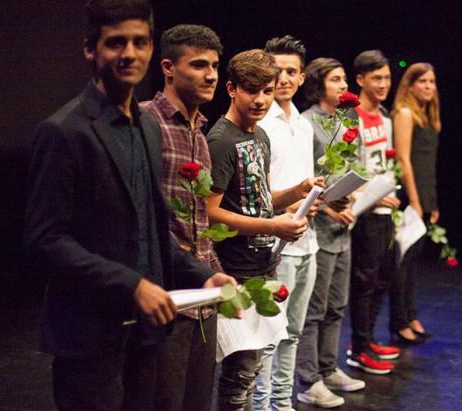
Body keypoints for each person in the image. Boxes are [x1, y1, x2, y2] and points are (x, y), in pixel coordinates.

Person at [24, 2, 236, 409]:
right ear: (91, 49)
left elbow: (152, 231)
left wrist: (203, 275)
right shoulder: (64, 131)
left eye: (139, 42)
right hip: (89, 338)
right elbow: (44, 240)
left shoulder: (148, 129)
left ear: (151, 50)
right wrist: (132, 285)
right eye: (116, 42)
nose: (129, 54)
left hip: (144, 335)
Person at [205, 49, 320, 411]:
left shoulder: (259, 137)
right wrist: (273, 225)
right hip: (233, 269)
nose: (260, 100)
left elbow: (260, 196)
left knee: (251, 371)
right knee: (238, 377)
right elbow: (209, 214)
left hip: (260, 263)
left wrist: (296, 193)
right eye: (251, 90)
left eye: (267, 91)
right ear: (231, 88)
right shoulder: (221, 140)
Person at [139, 24, 224, 411]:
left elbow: (200, 219)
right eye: (200, 65)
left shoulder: (200, 132)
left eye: (215, 66)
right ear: (169, 68)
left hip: (202, 299)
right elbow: (138, 217)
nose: (211, 76)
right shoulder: (145, 123)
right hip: (167, 297)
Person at [252, 35, 320, 411]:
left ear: (301, 76)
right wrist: (294, 197)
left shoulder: (303, 124)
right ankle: (262, 405)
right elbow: (256, 193)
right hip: (275, 244)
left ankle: (283, 403)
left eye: (291, 72)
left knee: (293, 332)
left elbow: (302, 181)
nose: (283, 79)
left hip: (307, 241)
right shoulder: (261, 123)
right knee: (270, 334)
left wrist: (315, 198)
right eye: (276, 71)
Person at [296, 57, 366, 408]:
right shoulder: (307, 123)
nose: (342, 85)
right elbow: (303, 177)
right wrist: (325, 206)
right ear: (319, 84)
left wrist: (353, 194)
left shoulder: (349, 118)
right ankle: (309, 379)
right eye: (335, 79)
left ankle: (329, 366)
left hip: (344, 227)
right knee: (315, 308)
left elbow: (358, 164)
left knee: (338, 305)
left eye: (343, 79)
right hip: (319, 226)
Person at [346, 50, 401, 375]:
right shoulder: (350, 118)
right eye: (376, 78)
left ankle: (366, 339)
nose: (383, 84)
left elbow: (386, 163)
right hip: (364, 211)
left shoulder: (385, 117)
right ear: (361, 80)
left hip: (386, 209)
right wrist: (372, 198)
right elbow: (349, 169)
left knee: (383, 277)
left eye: (387, 78)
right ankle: (360, 346)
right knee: (364, 281)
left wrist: (389, 194)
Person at [389, 63, 441, 344]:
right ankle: (399, 321)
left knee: (413, 261)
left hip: (424, 194)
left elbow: (427, 163)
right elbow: (404, 159)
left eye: (432, 82)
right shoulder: (406, 113)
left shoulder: (427, 115)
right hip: (410, 196)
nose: (428, 87)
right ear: (409, 86)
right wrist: (416, 201)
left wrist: (432, 201)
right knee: (402, 260)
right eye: (422, 81)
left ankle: (410, 314)